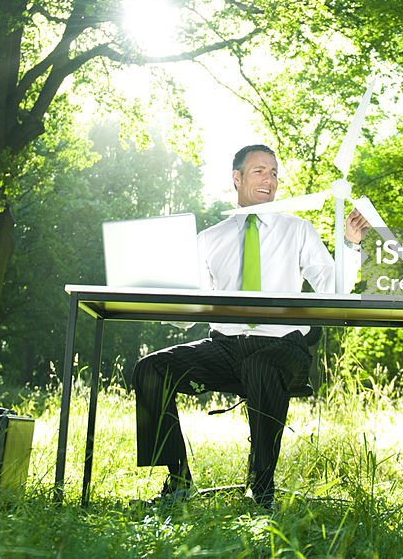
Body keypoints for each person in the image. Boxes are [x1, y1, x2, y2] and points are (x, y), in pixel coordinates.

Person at [132, 144, 370, 508]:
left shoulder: (298, 230)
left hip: (283, 349)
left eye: (274, 172)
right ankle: (177, 482)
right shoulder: (210, 239)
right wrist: (153, 294)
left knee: (261, 366)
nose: (270, 179)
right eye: (260, 171)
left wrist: (350, 247)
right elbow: (186, 311)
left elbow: (333, 289)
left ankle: (262, 490)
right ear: (237, 178)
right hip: (225, 348)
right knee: (151, 369)